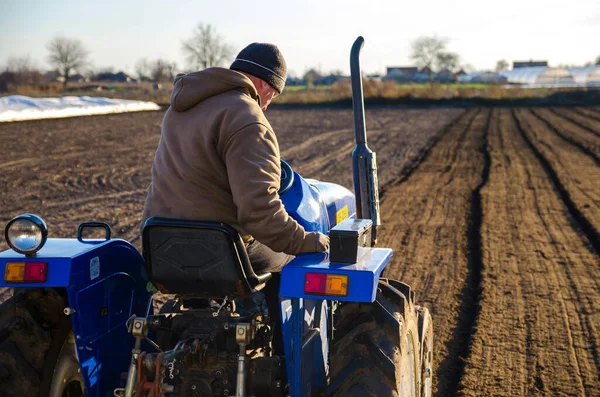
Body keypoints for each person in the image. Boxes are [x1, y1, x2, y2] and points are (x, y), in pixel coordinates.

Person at [141, 43, 329, 274]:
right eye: (273, 95)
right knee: (292, 257)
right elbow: (258, 210)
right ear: (265, 83)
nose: (267, 104)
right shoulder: (247, 117)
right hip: (217, 248)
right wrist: (305, 241)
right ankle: (267, 310)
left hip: (159, 241)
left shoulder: (181, 107)